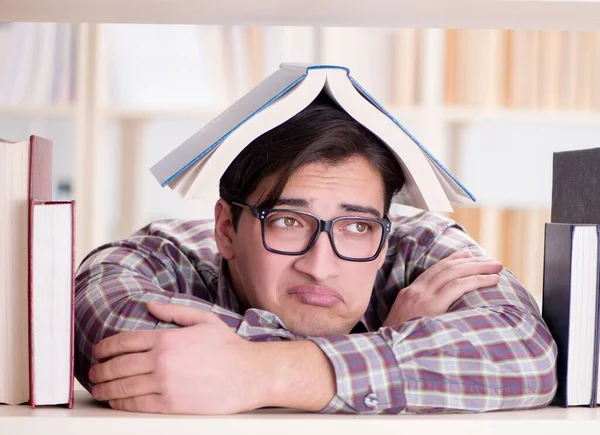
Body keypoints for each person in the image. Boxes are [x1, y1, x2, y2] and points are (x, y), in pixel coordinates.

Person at [75, 92, 558, 415]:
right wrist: (396, 342)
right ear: (226, 228)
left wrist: (262, 372)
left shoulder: (422, 249)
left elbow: (528, 354)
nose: (321, 265)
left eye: (356, 226)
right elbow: (101, 323)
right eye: (287, 221)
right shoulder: (159, 257)